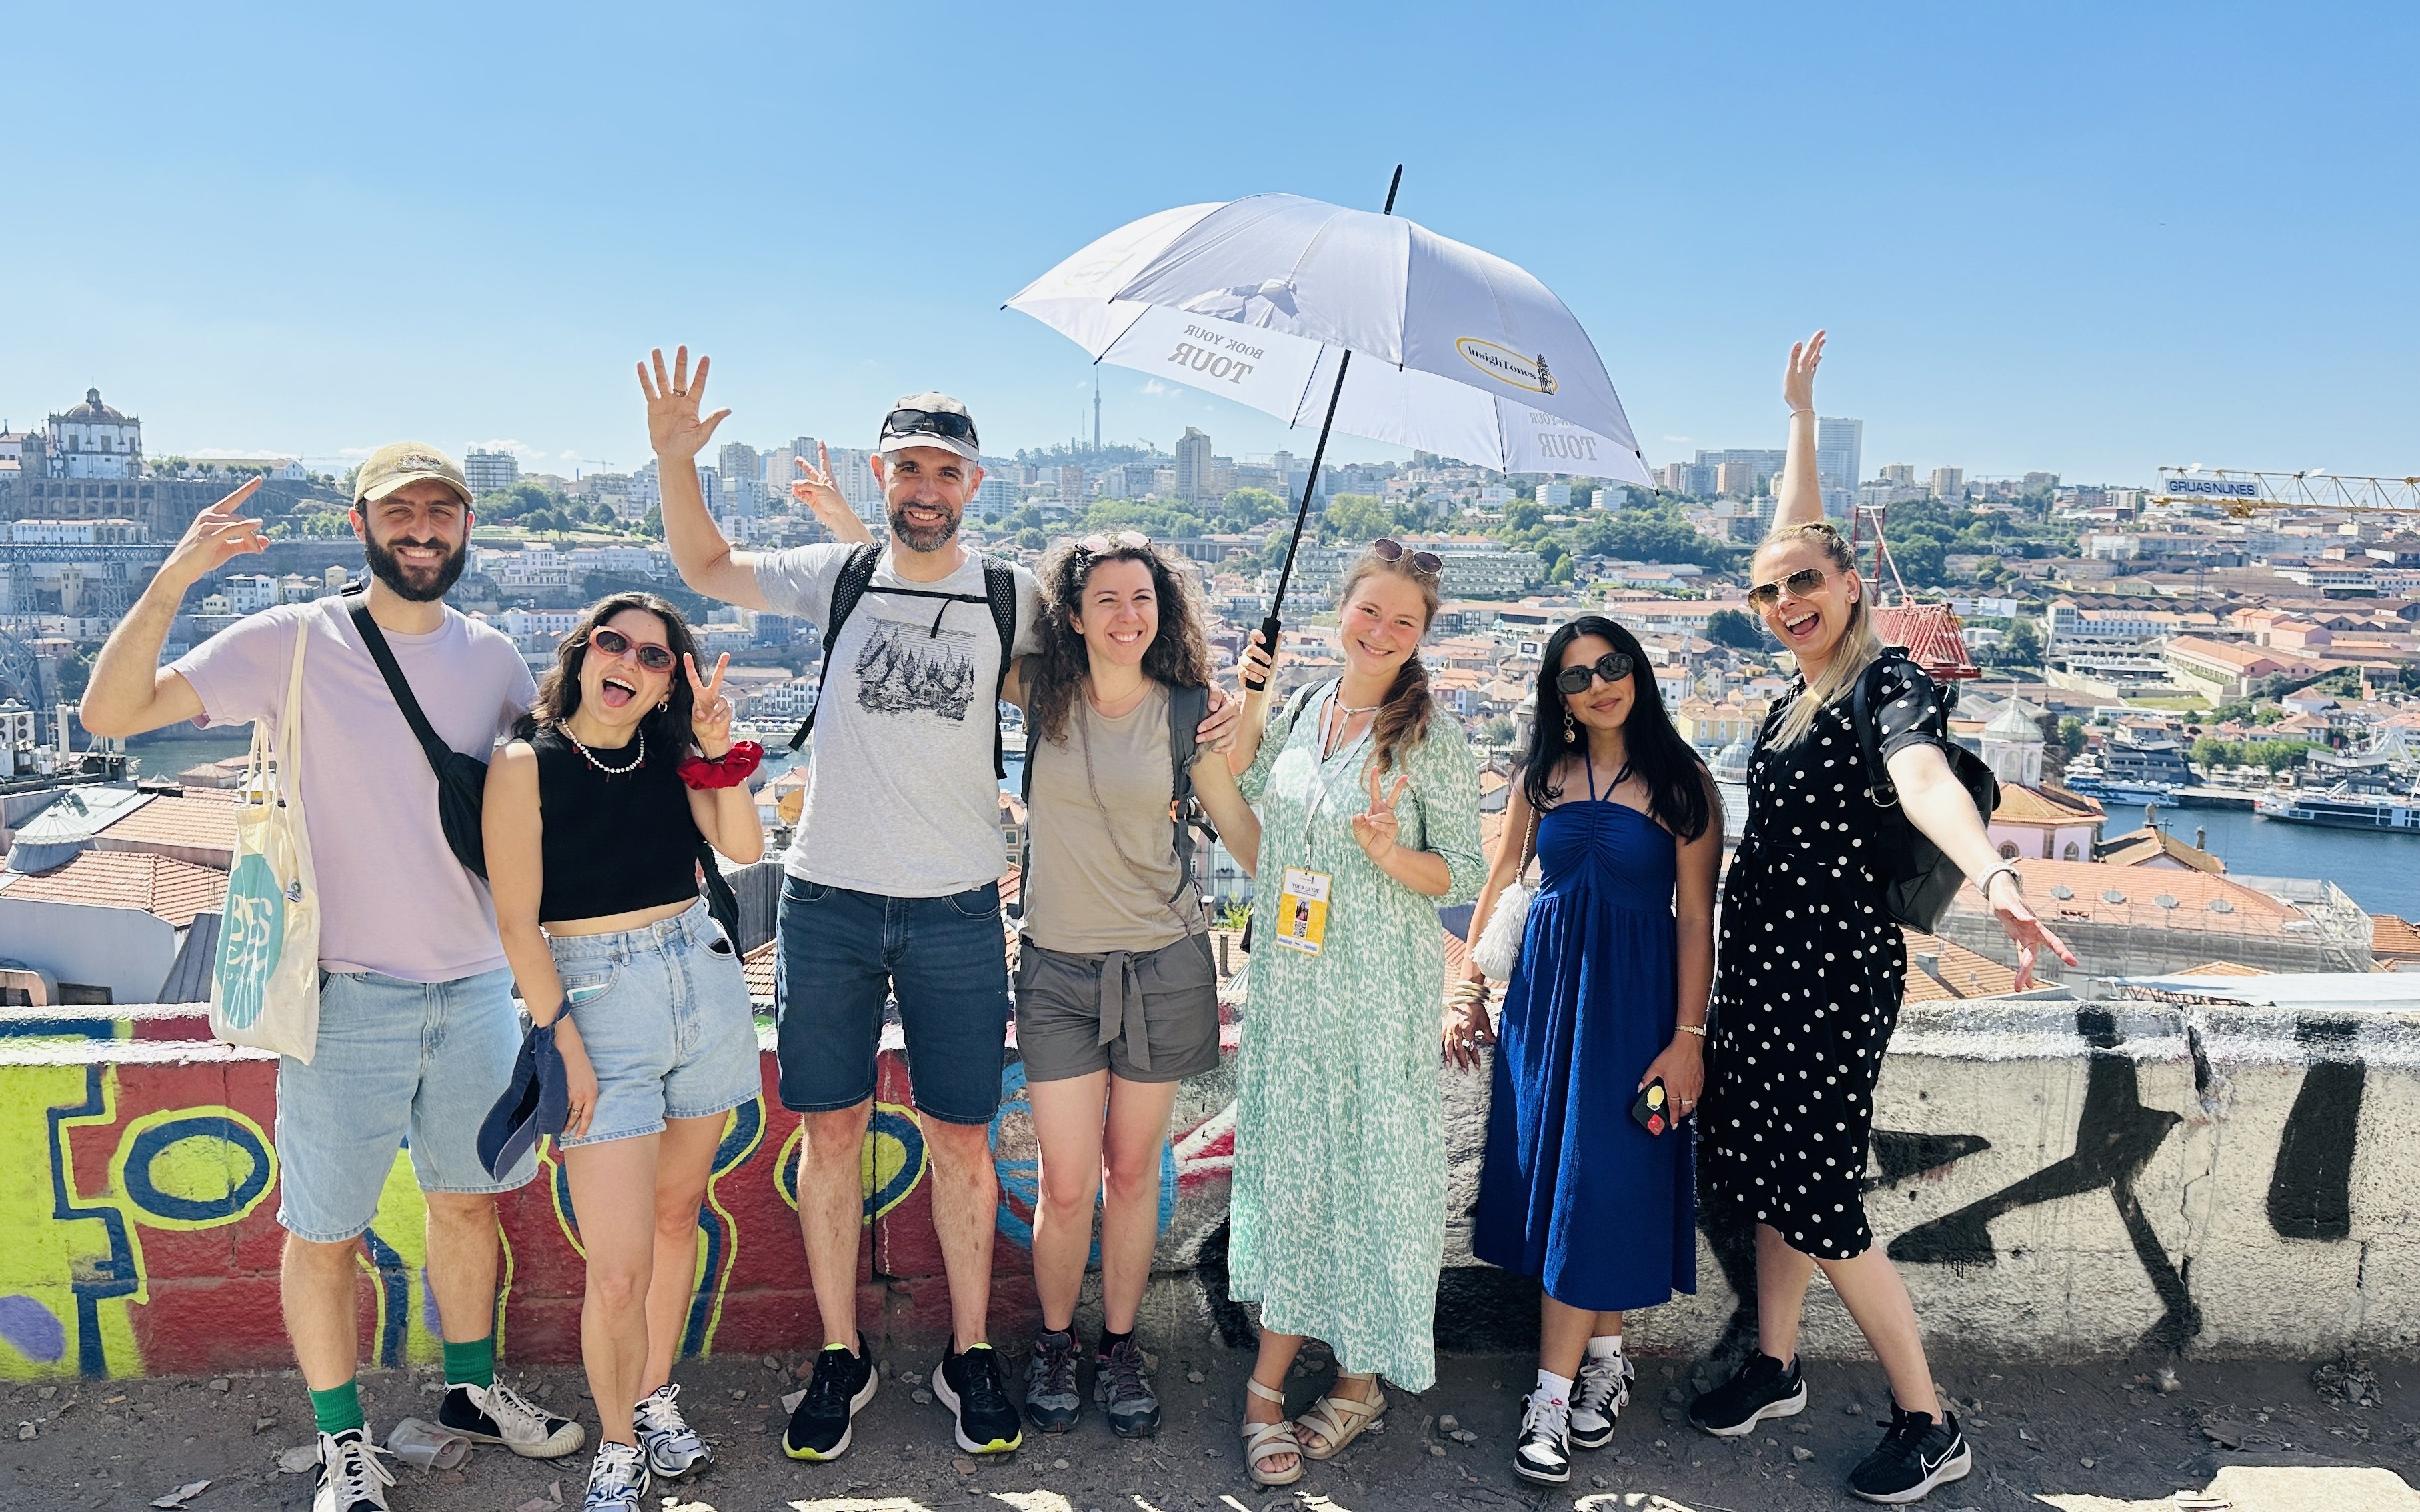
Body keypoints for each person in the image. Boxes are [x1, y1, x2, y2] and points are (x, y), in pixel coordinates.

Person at [635, 348, 1238, 1462]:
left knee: (961, 1142)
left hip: (959, 903)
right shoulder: (840, 573)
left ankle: (969, 1352)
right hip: (829, 898)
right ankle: (838, 1352)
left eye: (944, 470)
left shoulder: (1007, 597)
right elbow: (705, 562)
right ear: (882, 474)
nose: (924, 486)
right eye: (907, 466)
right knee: (830, 1135)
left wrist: (1210, 718)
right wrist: (677, 459)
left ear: (974, 484)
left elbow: (1110, 680)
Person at [80, 446, 584, 1512]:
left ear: (465, 528)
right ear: (361, 524)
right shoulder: (291, 641)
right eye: (399, 511)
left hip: (476, 987)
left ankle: (468, 1391)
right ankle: (342, 1440)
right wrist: (176, 575)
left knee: (467, 1208)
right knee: (326, 1233)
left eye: (440, 512)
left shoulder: (493, 655)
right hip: (343, 991)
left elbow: (549, 793)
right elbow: (110, 718)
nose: (421, 529)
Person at [1688, 333, 2079, 1506]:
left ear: (1852, 584)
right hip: (1760, 972)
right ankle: (1773, 1363)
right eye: (1766, 592)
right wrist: (1799, 418)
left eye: (1806, 583)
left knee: (1813, 1194)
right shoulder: (1795, 691)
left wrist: (1998, 879)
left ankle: (1927, 1416)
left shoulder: (1884, 686)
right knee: (1763, 1172)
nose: (1783, 601)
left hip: (1828, 979)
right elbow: (1792, 529)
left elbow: (1919, 780)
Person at [483, 595, 767, 1511]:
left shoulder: (674, 754)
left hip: (701, 977)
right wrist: (561, 1036)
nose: (631, 662)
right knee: (617, 1263)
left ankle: (651, 1397)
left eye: (655, 656)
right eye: (615, 642)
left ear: (665, 682)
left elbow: (746, 843)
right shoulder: (526, 763)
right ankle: (615, 1443)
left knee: (680, 1215)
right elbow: (516, 922)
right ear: (583, 650)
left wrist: (717, 748)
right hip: (594, 997)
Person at [1221, 540, 1484, 1487]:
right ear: (1342, 612)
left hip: (1377, 996)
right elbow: (1242, 797)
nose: (1380, 631)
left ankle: (1356, 1382)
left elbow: (1457, 870)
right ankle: (1266, 1385)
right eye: (1368, 611)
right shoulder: (1301, 710)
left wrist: (1384, 850)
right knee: (1294, 1180)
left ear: (1420, 638)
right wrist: (1248, 692)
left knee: (1371, 1186)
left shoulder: (1431, 740)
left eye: (1402, 621)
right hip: (1293, 991)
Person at [1449, 615, 1720, 1486]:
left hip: (1636, 1010)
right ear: (1556, 696)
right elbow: (1500, 882)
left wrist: (1686, 1042)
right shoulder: (1542, 778)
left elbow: (1695, 931)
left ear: (1637, 670)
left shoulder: (1685, 786)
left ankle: (1549, 1400)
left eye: (1610, 665)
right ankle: (1603, 1359)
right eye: (1575, 676)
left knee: (1595, 1183)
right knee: (1569, 1183)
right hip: (1546, 1005)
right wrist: (1466, 990)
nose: (1597, 684)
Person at [1008, 533, 1261, 1441]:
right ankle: (1051, 1342)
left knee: (1129, 1174)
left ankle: (1115, 1348)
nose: (1126, 615)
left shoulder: (1189, 711)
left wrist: (1335, 888)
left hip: (1161, 965)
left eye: (1142, 599)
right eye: (1106, 599)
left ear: (1164, 612)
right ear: (1071, 617)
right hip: (1057, 969)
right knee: (1067, 1183)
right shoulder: (1038, 696)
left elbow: (1239, 829)